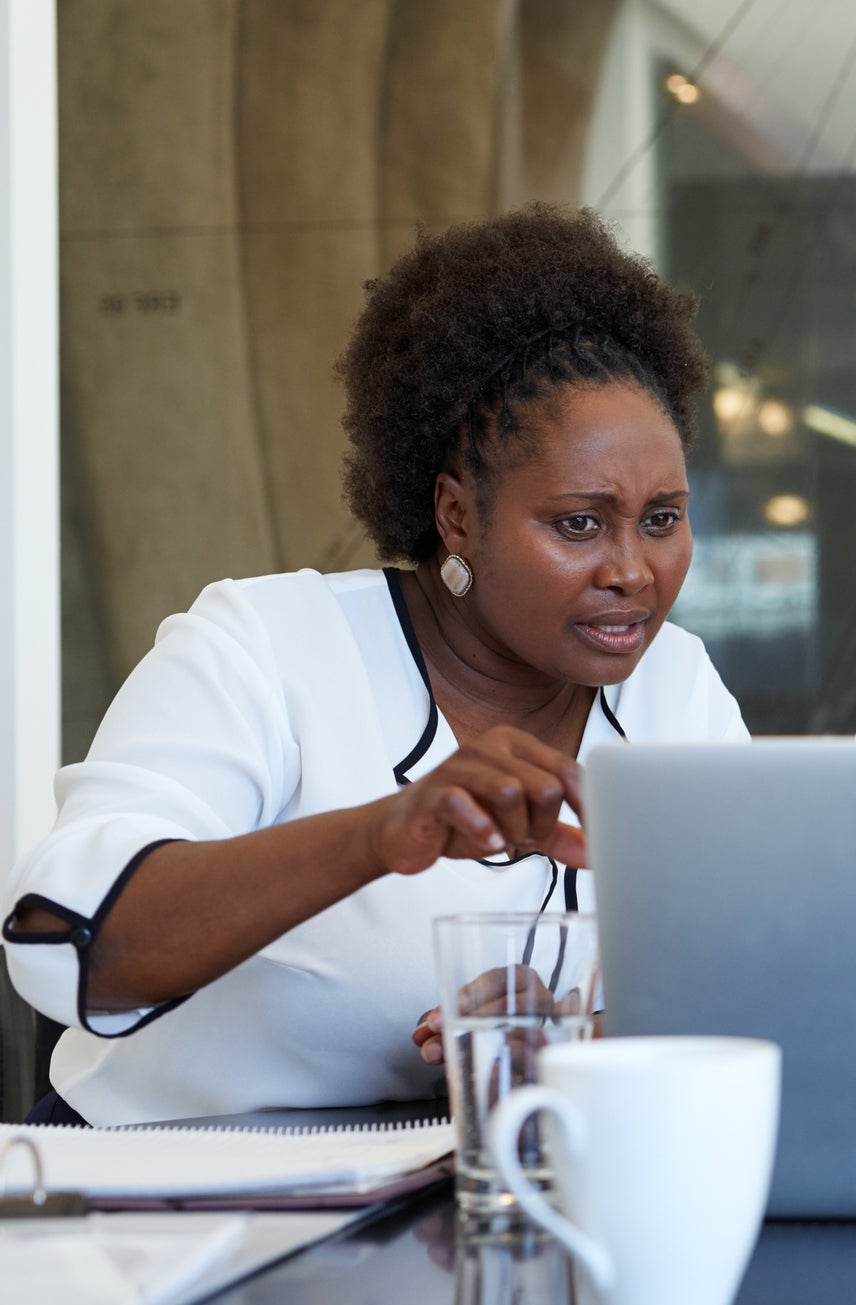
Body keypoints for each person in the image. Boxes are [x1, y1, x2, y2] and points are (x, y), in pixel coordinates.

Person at [3, 206, 746, 1125]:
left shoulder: (676, 688)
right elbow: (65, 943)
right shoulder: (265, 645)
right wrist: (375, 834)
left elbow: (745, 975)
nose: (633, 569)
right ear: (456, 515)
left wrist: (571, 1035)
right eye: (578, 523)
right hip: (171, 1200)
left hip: (474, 1201)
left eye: (663, 519)